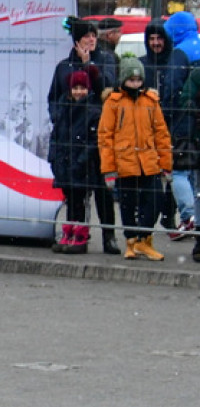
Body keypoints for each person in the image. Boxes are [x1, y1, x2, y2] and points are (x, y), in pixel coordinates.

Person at [47, 16, 119, 254]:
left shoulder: (106, 60)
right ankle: (76, 234)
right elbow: (53, 97)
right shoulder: (63, 66)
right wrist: (59, 117)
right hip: (71, 137)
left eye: (93, 35)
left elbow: (106, 90)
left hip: (97, 135)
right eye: (86, 36)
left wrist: (89, 65)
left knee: (102, 191)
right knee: (74, 189)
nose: (91, 40)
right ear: (76, 40)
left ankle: (109, 235)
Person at [99, 57, 172, 262]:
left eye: (139, 80)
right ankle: (131, 242)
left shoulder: (150, 101)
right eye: (131, 80)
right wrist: (109, 168)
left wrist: (165, 163)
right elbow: (105, 137)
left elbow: (161, 133)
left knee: (155, 200)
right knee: (127, 204)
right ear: (123, 80)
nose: (135, 84)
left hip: (148, 161)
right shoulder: (113, 102)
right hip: (124, 162)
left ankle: (143, 239)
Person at [141, 20, 194, 239]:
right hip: (149, 127)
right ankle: (166, 217)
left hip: (175, 125)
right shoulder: (143, 64)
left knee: (177, 171)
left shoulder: (177, 59)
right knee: (160, 175)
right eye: (151, 39)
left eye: (159, 38)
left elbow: (180, 92)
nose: (155, 43)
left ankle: (178, 216)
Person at [48, 70, 103, 254]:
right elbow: (55, 137)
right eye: (75, 88)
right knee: (70, 201)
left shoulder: (92, 112)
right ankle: (68, 233)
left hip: (81, 166)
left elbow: (93, 142)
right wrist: (53, 159)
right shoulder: (63, 110)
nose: (79, 92)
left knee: (80, 201)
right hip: (64, 164)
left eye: (82, 88)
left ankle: (80, 236)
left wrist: (80, 161)